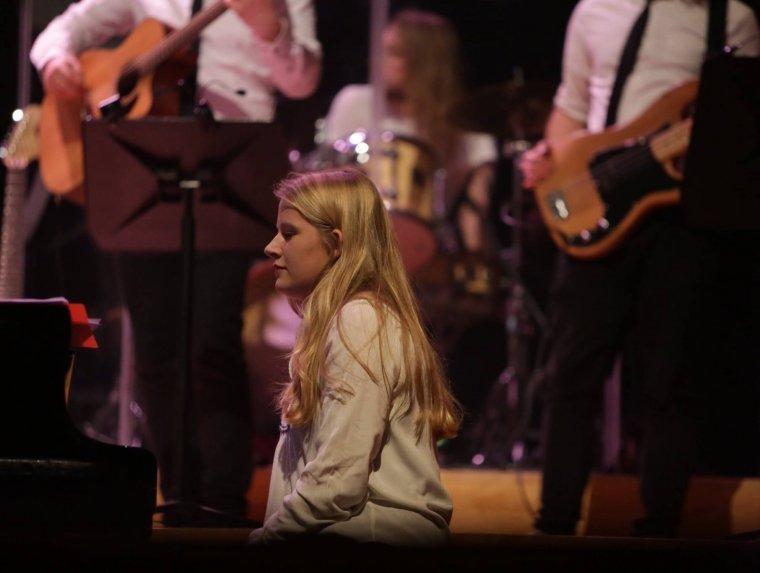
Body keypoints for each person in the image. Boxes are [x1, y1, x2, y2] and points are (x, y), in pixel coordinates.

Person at [30, 0, 322, 526]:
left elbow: (301, 81)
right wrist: (56, 61)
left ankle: (223, 498)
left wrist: (269, 27)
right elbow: (67, 26)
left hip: (229, 171)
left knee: (212, 339)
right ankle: (174, 491)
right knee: (156, 345)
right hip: (143, 171)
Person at [518, 0, 760, 537]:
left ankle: (660, 530)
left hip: (685, 212)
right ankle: (554, 523)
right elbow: (572, 105)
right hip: (598, 201)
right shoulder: (595, 10)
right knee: (570, 373)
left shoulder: (732, 18)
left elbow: (742, 117)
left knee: (671, 378)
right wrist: (558, 163)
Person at [317, 8, 503, 463]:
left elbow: (474, 223)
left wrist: (476, 267)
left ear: (426, 63)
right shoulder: (354, 103)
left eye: (395, 54)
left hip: (428, 258)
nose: (382, 62)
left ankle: (431, 443)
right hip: (354, 249)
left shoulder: (464, 126)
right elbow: (324, 185)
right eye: (381, 50)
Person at [248, 167, 462, 546]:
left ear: (336, 243)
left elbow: (338, 476)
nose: (272, 246)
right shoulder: (346, 320)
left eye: (289, 233)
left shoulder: (360, 321)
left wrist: (268, 541)